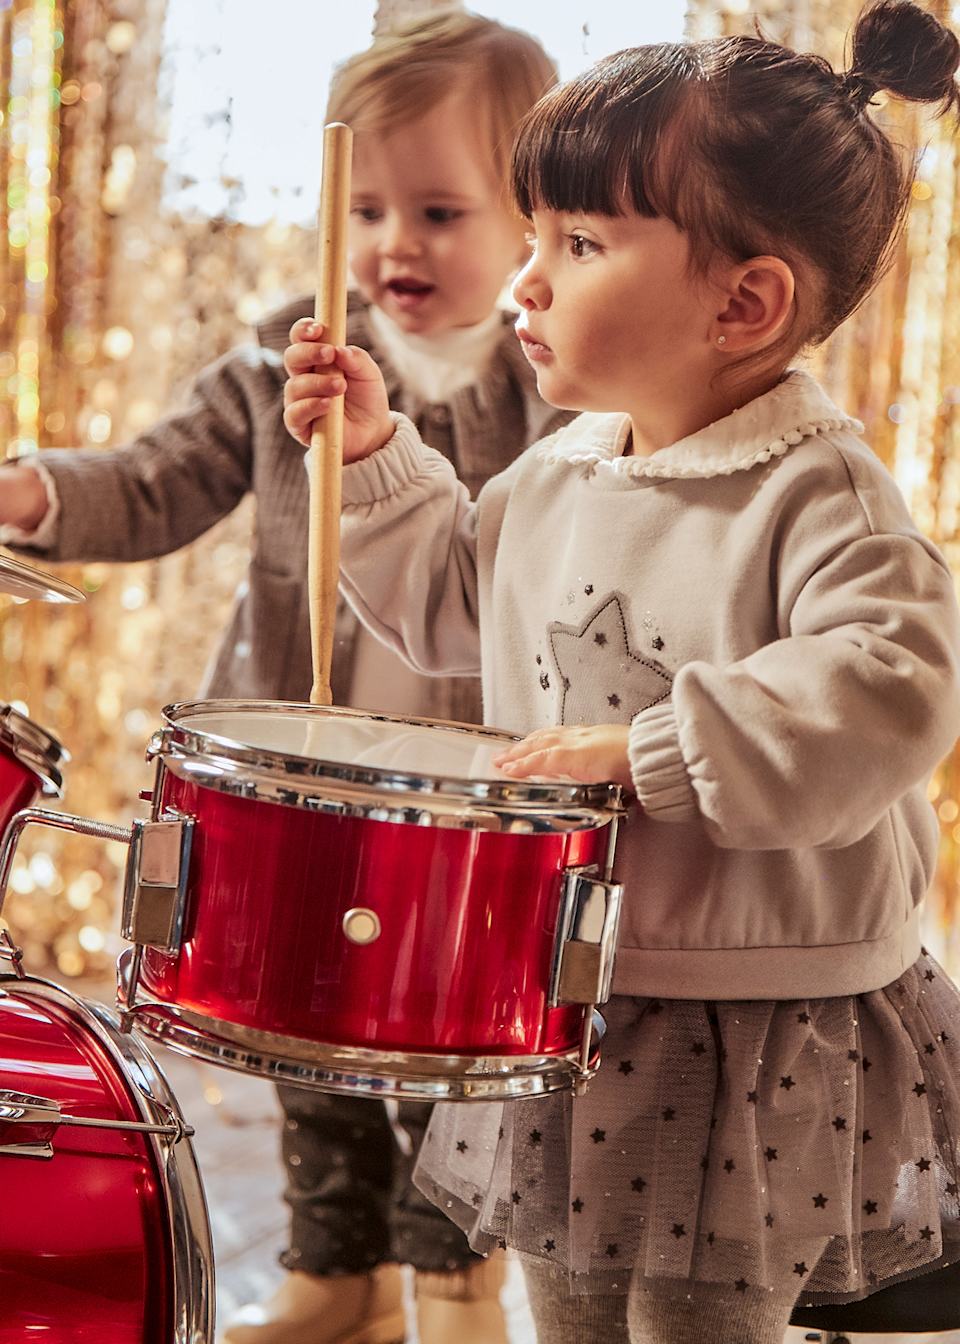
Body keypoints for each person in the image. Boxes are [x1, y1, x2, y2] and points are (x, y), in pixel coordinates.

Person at [282, 3, 960, 1341]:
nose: (526, 282)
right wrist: (370, 454)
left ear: (744, 302)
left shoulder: (820, 495)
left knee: (704, 1320)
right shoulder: (565, 468)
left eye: (579, 245)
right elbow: (473, 612)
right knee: (572, 1308)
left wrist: (647, 755)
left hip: (751, 1022)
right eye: (534, 237)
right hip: (579, 992)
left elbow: (888, 686)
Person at [0, 12, 568, 1344]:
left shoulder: (554, 385)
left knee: (444, 1056)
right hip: (305, 768)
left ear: (535, 224)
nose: (393, 246)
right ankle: (335, 1276)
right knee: (296, 1029)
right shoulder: (281, 358)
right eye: (364, 208)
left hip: (465, 781)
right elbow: (152, 483)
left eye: (439, 209)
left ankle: (456, 1287)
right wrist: (33, 490)